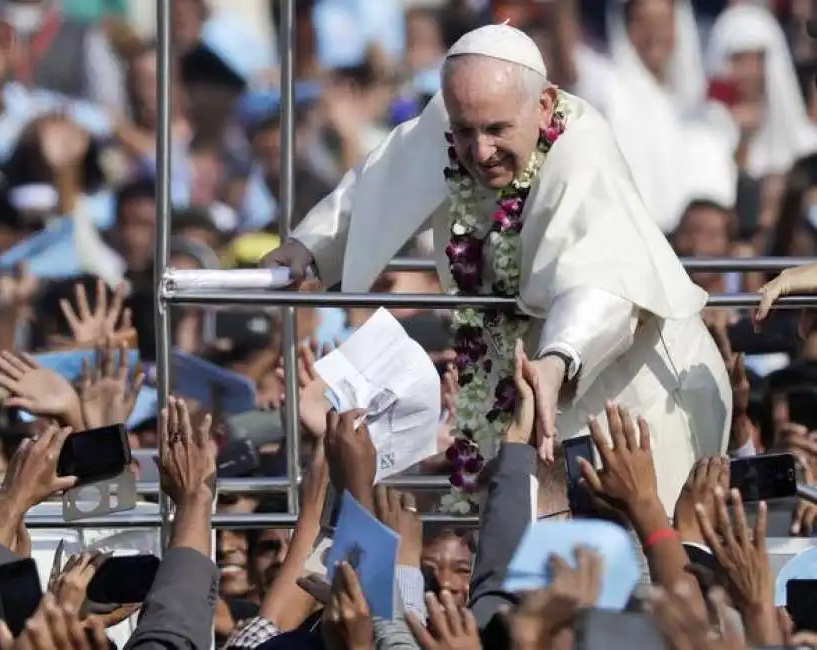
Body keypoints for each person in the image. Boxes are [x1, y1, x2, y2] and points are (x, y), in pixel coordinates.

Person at [262, 23, 731, 511]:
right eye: (465, 131)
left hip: (643, 391)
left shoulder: (583, 155)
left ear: (545, 105)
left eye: (497, 130)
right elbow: (382, 178)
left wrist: (558, 360)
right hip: (538, 386)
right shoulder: (459, 117)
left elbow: (602, 287)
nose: (480, 151)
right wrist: (306, 246)